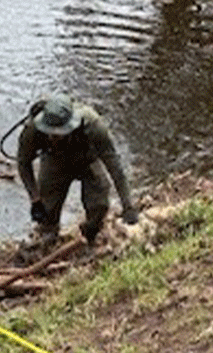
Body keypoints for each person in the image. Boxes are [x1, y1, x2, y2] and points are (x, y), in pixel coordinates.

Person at [15, 94, 139, 244]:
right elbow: (23, 163)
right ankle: (48, 236)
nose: (54, 137)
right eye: (51, 133)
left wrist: (128, 205)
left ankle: (90, 233)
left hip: (88, 160)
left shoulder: (94, 126)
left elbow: (114, 166)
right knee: (47, 208)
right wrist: (35, 199)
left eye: (59, 133)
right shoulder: (32, 131)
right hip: (54, 161)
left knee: (99, 204)